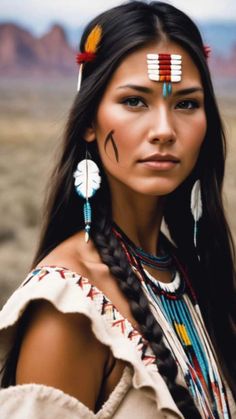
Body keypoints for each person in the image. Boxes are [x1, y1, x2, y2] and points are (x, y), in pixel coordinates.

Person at [0, 1, 235, 418]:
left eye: (186, 104)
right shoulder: (68, 310)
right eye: (134, 102)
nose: (164, 130)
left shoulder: (192, 274)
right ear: (89, 120)